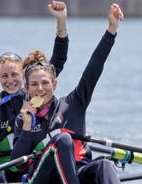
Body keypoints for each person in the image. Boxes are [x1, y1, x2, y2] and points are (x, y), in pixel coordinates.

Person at [11, 3, 123, 184]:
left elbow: (94, 68)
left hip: (78, 173)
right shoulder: (23, 118)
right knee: (62, 139)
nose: (40, 88)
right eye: (34, 84)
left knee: (105, 165)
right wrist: (26, 127)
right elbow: (16, 166)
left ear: (54, 84)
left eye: (45, 83)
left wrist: (112, 29)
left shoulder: (74, 103)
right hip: (42, 178)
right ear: (27, 88)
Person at [0, 1, 69, 183]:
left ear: (24, 76)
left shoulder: (34, 92)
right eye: (4, 76)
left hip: (27, 166)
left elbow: (58, 60)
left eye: (14, 74)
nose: (10, 80)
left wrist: (61, 21)